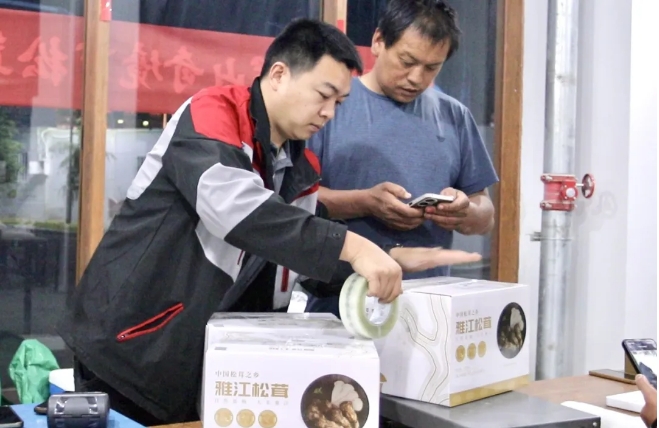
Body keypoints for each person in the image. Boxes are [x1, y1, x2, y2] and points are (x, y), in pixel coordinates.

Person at [56, 18, 480, 426]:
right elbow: (242, 212)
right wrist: (354, 246)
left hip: (199, 356)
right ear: (278, 75)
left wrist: (382, 266)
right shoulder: (211, 115)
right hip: (131, 344)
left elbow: (294, 260)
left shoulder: (301, 166)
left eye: (338, 102)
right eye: (323, 95)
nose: (329, 113)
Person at [305, 0, 499, 317]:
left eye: (431, 67)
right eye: (407, 61)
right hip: (340, 305)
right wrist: (365, 202)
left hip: (430, 312)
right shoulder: (331, 106)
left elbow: (486, 215)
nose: (416, 78)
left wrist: (463, 212)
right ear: (378, 41)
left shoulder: (455, 116)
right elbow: (292, 203)